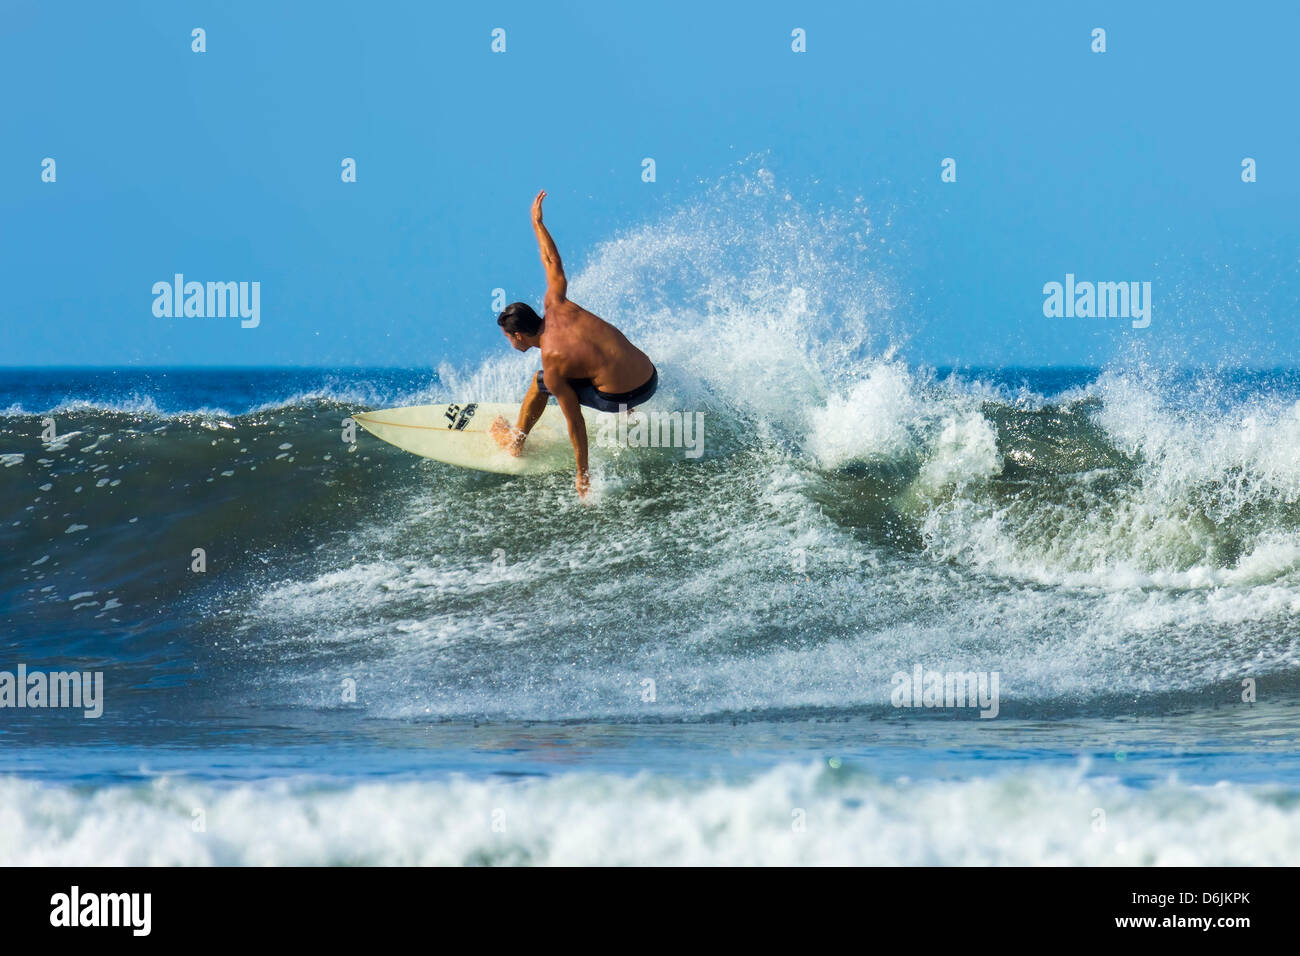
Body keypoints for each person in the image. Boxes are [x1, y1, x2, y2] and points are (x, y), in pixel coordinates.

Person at [490, 190, 657, 496]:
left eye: (508, 338)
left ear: (519, 336)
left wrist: (583, 474)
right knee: (592, 359)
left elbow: (576, 423)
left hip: (622, 398)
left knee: (540, 383)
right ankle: (627, 410)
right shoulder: (556, 302)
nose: (509, 343)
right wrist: (537, 222)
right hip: (650, 378)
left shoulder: (552, 363)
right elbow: (551, 260)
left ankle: (516, 442)